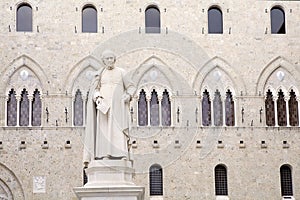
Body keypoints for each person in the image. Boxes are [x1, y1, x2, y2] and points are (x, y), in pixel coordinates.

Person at [83, 50, 135, 164]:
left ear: (115, 60)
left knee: (119, 129)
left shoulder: (121, 72)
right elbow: (95, 89)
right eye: (108, 58)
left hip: (119, 106)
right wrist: (97, 97)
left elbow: (131, 87)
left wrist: (128, 95)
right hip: (104, 108)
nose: (110, 60)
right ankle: (104, 154)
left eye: (112, 58)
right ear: (103, 61)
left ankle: (122, 154)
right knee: (104, 130)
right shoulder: (100, 74)